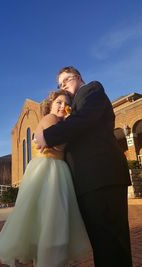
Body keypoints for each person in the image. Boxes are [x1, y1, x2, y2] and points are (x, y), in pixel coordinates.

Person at [35, 66, 133, 267]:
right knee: (101, 243)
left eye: (67, 81)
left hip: (102, 177)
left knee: (112, 243)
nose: (64, 86)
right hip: (87, 182)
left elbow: (84, 120)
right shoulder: (72, 109)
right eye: (60, 84)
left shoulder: (91, 90)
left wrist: (49, 135)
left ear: (78, 78)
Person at [0, 90, 91, 267]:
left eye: (66, 103)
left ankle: (46, 260)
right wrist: (71, 124)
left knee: (49, 219)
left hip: (55, 168)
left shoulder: (60, 121)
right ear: (51, 105)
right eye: (59, 102)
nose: (62, 106)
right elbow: (55, 142)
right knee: (53, 219)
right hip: (49, 170)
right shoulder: (50, 119)